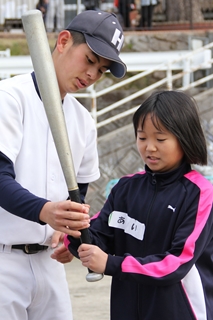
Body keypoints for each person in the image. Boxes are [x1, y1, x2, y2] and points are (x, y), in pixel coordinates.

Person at [0, 10, 126, 320]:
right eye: (90, 59)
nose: (93, 75)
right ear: (64, 41)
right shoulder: (10, 97)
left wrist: (66, 231)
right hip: (4, 261)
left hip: (50, 265)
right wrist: (45, 211)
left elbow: (78, 191)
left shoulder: (83, 120)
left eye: (102, 69)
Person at [65, 90, 213, 320]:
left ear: (185, 138)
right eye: (142, 138)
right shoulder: (125, 189)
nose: (149, 148)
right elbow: (100, 237)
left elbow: (177, 262)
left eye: (160, 139)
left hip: (179, 311)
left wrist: (112, 264)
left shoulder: (200, 193)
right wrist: (75, 232)